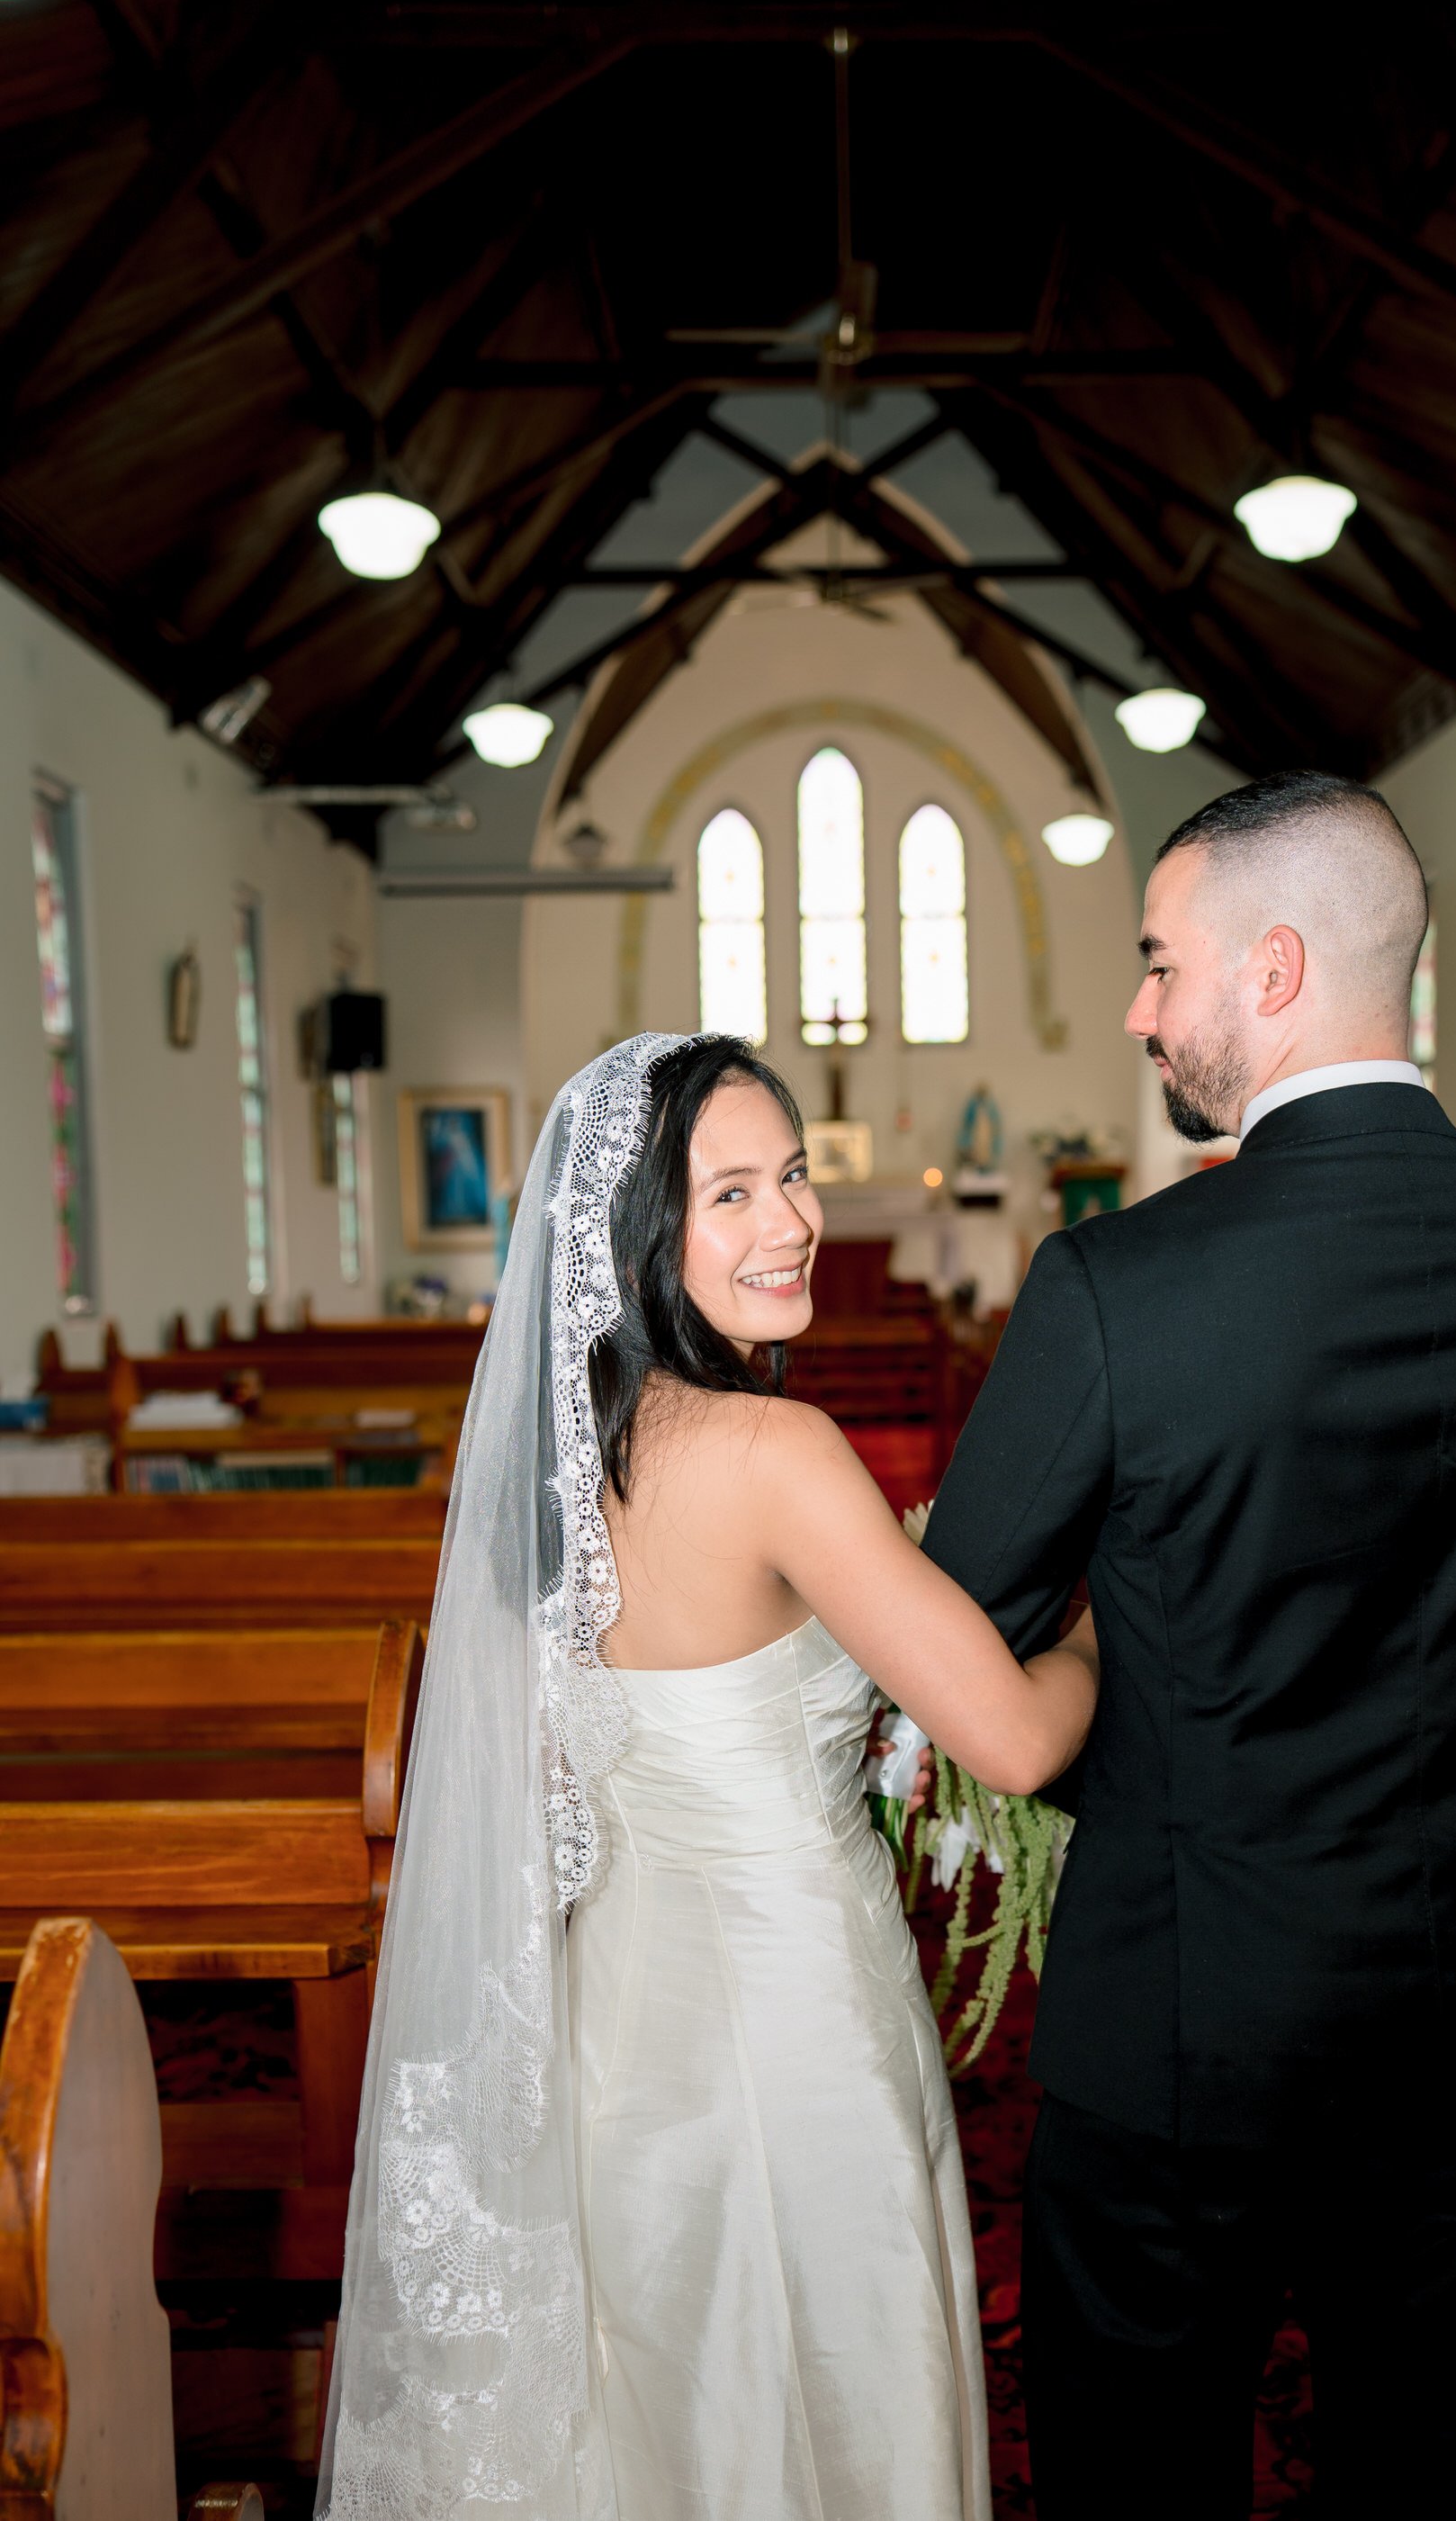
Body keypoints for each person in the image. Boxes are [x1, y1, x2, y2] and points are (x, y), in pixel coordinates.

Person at [923, 770, 1456, 2520]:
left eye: (1156, 962)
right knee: (1429, 2460)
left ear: (1271, 971)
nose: (1137, 1008)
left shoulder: (1117, 1285)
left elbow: (970, 1615)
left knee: (1141, 2473)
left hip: (1183, 2016)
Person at [317, 1032, 1098, 2521]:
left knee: (665, 2399)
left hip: (612, 2025)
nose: (791, 1220)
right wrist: (1109, 1632)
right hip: (800, 2017)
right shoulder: (774, 1452)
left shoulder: (562, 1479)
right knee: (823, 2387)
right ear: (638, 1236)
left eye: (792, 1175)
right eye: (728, 1192)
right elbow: (1015, 1736)